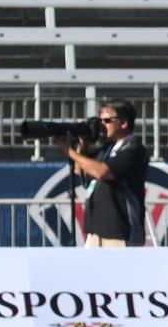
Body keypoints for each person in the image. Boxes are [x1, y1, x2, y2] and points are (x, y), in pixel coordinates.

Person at [60, 98, 149, 247]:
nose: (102, 126)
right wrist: (83, 144)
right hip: (96, 231)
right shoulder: (108, 148)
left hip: (120, 232)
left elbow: (103, 172)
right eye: (100, 121)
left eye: (107, 120)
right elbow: (80, 169)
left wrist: (69, 152)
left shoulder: (134, 148)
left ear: (124, 122)